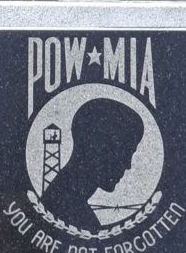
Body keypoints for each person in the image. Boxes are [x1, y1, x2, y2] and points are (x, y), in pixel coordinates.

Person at [42, 98, 144, 232]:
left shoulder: (61, 204)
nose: (128, 165)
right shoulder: (77, 220)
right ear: (95, 147)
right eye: (124, 152)